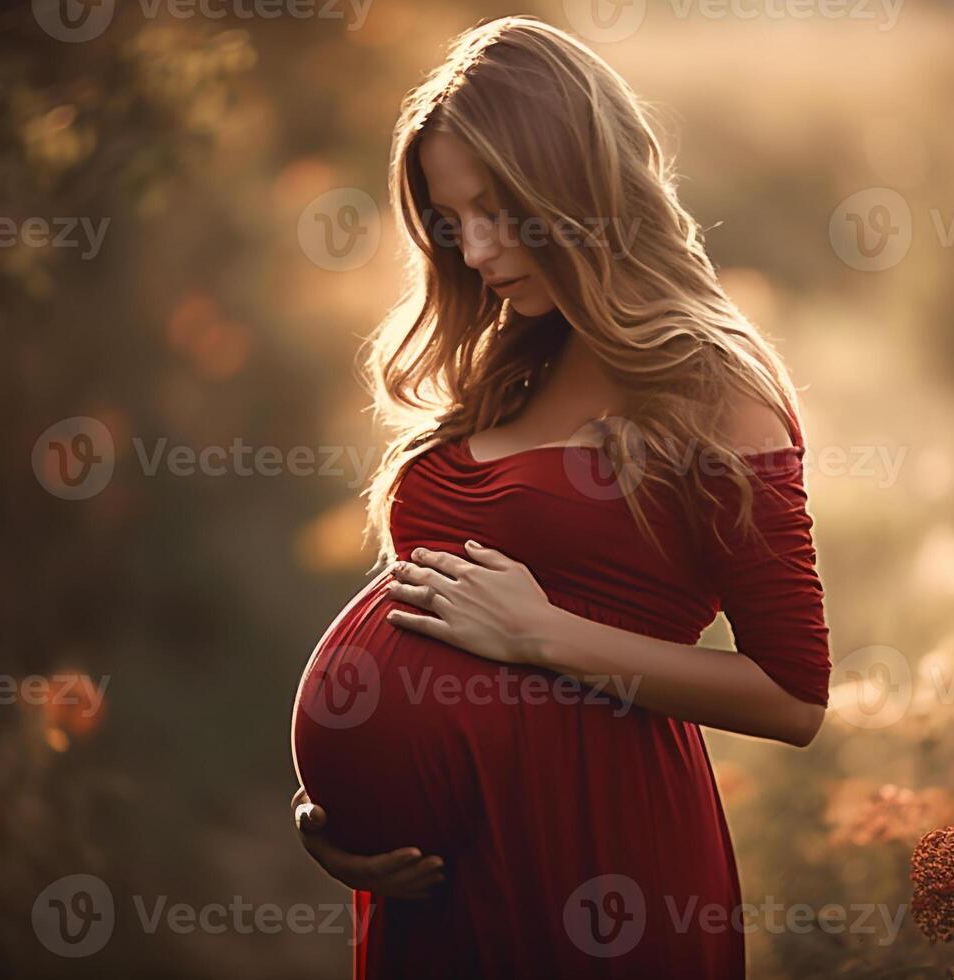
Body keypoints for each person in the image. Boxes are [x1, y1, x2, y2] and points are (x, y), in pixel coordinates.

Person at [290, 16, 832, 978]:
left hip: (595, 861)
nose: (480, 250)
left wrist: (544, 637)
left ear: (579, 179)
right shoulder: (515, 356)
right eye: (453, 223)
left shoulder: (715, 387)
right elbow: (432, 612)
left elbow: (793, 696)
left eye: (499, 209)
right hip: (429, 891)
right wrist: (342, 811)